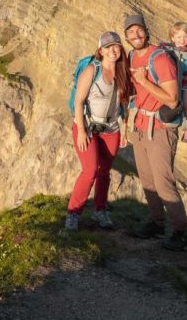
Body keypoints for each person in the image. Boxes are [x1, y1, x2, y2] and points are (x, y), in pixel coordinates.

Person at [124, 14, 187, 251]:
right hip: (140, 126)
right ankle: (156, 222)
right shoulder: (133, 56)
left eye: (139, 31)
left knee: (163, 182)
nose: (136, 36)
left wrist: (144, 82)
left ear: (146, 31)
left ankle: (180, 232)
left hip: (160, 128)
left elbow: (172, 100)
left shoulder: (159, 58)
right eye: (131, 33)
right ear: (127, 37)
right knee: (148, 180)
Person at [64, 31, 131, 232]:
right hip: (88, 128)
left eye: (116, 46)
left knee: (104, 172)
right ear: (100, 51)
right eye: (108, 47)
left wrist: (125, 130)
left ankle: (100, 210)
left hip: (111, 128)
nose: (113, 51)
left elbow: (125, 104)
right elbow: (79, 101)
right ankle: (73, 213)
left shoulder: (123, 71)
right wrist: (82, 131)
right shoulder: (92, 70)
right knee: (90, 170)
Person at [167, 21, 187, 143]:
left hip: (186, 83)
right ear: (173, 38)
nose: (182, 40)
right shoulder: (170, 49)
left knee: (186, 104)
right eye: (178, 37)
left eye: (185, 37)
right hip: (174, 81)